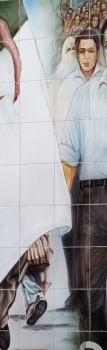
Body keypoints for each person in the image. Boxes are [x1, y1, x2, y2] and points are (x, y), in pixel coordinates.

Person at [58, 20, 107, 350]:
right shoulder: (85, 95)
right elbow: (69, 158)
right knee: (90, 296)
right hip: (93, 199)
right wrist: (60, 205)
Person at [56, 29, 104, 310]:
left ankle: (91, 292)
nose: (86, 57)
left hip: (98, 173)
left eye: (91, 51)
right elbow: (61, 126)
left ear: (98, 53)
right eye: (81, 52)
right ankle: (77, 291)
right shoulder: (67, 85)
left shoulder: (104, 82)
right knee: (70, 230)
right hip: (72, 168)